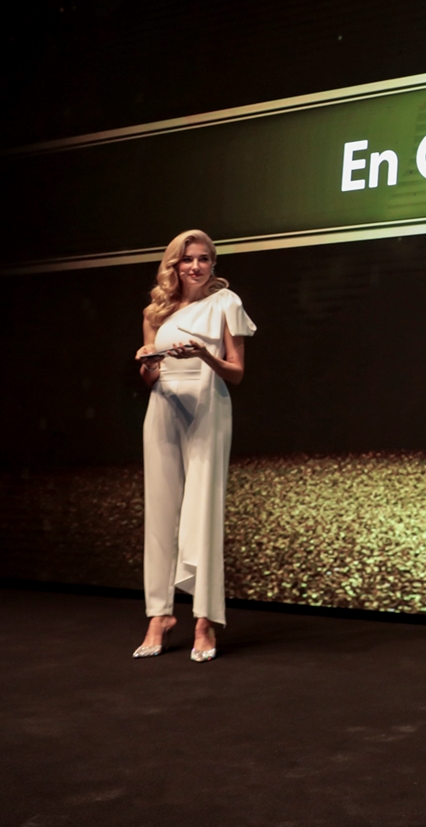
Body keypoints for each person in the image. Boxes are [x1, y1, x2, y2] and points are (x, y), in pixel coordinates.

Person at [133, 229, 256, 662]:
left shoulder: (226, 303)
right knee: (161, 511)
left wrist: (204, 354)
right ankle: (159, 615)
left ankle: (205, 619)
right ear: (175, 265)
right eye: (188, 259)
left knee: (203, 512)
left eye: (204, 258)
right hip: (164, 408)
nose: (196, 266)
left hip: (208, 406)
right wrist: (147, 364)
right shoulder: (156, 311)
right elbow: (150, 378)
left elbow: (237, 373)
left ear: (213, 263)